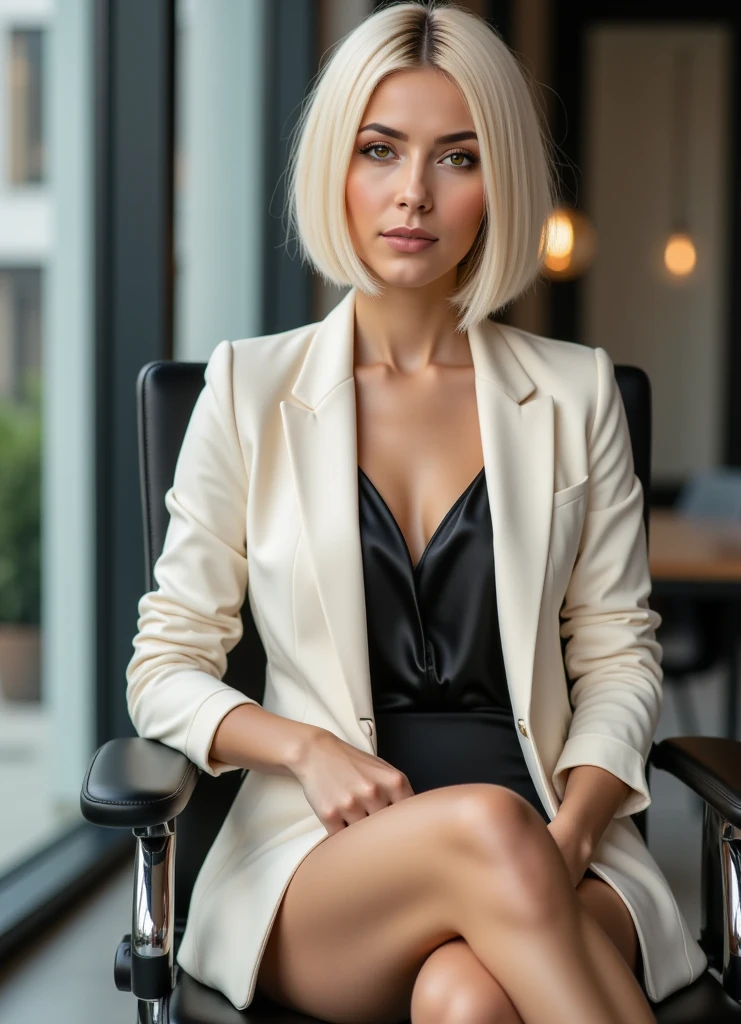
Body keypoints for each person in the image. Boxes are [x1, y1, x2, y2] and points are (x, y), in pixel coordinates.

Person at [125, 2, 708, 1021]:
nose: (412, 194)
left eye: (458, 157)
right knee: (487, 827)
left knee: (467, 998)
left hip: (558, 831)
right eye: (380, 150)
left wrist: (561, 840)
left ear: (501, 184)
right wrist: (302, 746)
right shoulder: (247, 389)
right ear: (336, 169)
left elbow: (620, 654)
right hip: (325, 857)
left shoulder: (577, 393)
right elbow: (163, 666)